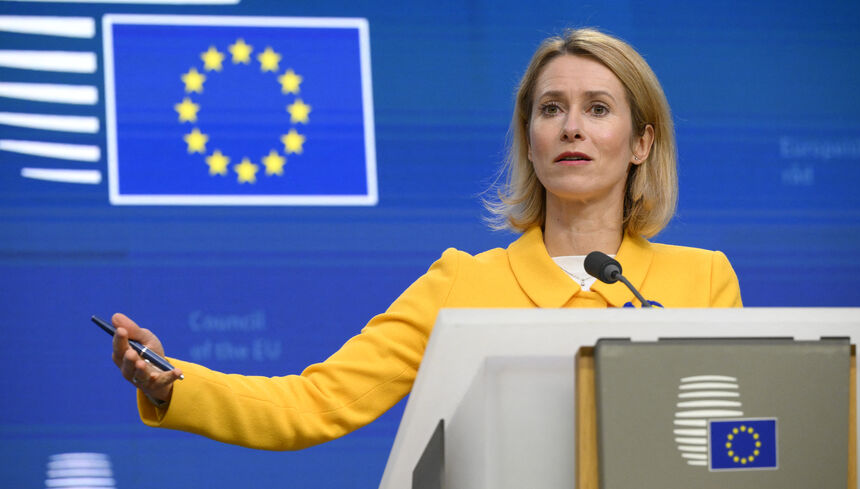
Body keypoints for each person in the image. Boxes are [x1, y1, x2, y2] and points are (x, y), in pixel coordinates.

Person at [111, 27, 741, 451]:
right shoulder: (463, 283)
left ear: (641, 143)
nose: (572, 127)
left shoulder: (704, 280)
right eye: (551, 109)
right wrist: (174, 382)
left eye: (598, 109)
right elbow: (315, 403)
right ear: (530, 140)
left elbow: (736, 449)